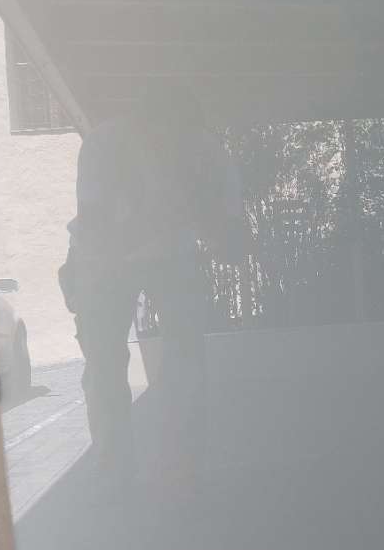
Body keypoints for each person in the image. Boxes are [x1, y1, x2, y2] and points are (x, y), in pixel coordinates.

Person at [58, 94, 245, 479]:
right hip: (103, 256)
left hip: (171, 254)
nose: (163, 138)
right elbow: (95, 227)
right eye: (156, 131)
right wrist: (84, 283)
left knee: (184, 360)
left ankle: (182, 464)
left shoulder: (207, 153)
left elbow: (231, 239)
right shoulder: (105, 144)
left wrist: (218, 230)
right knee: (105, 364)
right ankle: (115, 469)